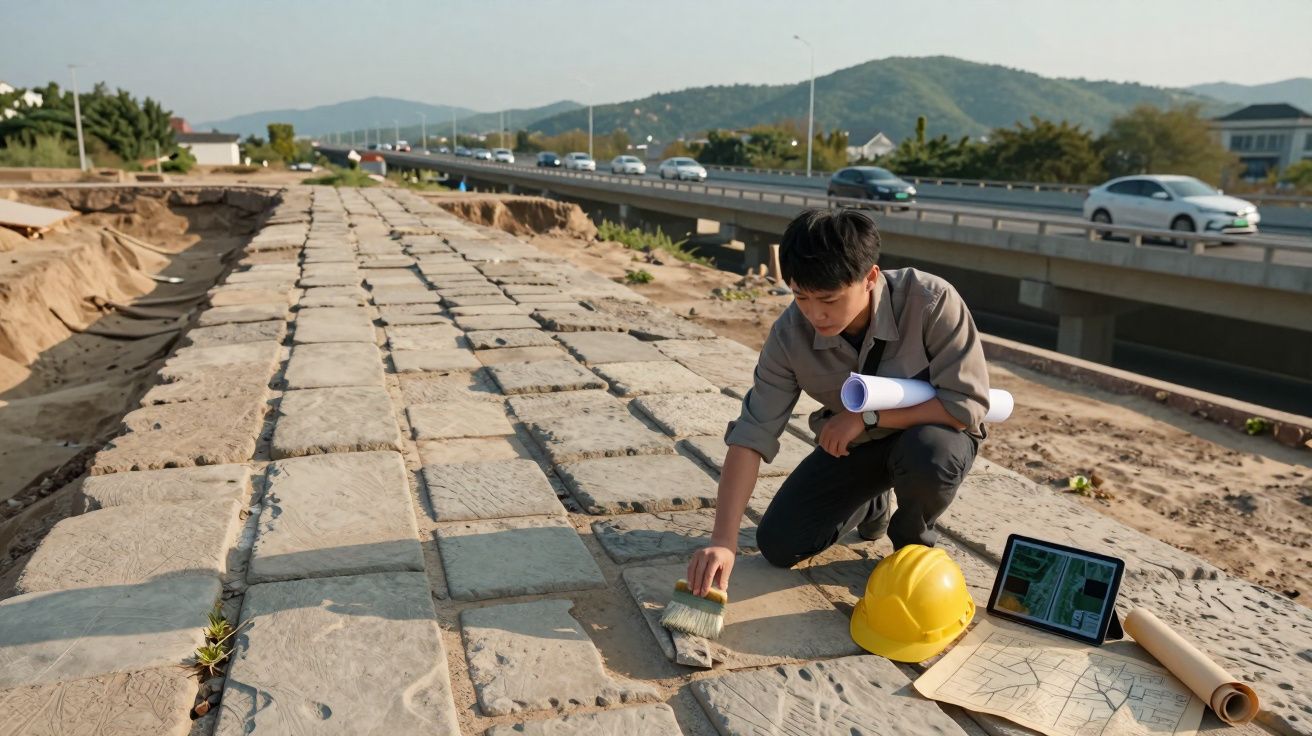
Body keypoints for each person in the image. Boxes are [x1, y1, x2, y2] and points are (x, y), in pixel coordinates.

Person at [686, 208, 990, 597]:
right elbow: (752, 434)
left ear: (870, 278)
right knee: (779, 545)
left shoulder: (931, 301)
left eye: (828, 298)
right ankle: (871, 505)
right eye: (800, 296)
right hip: (856, 448)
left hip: (933, 436)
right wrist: (723, 542)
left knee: (931, 452)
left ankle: (913, 550)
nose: (815, 313)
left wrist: (866, 416)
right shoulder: (789, 335)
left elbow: (966, 405)